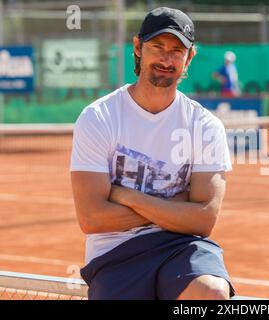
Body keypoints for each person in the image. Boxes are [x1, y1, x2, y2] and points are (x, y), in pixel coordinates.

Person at [70, 7, 235, 300]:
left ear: (190, 57)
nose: (166, 58)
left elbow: (203, 220)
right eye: (157, 47)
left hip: (181, 246)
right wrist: (176, 206)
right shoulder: (98, 117)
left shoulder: (205, 125)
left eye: (176, 50)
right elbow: (93, 218)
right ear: (137, 47)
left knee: (213, 292)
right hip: (116, 253)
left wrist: (125, 195)